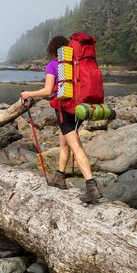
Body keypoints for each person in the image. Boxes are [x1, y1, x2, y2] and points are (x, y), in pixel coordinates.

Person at [20, 36, 103, 204]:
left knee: (75, 146)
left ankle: (91, 186)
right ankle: (59, 176)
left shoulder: (53, 65)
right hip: (77, 108)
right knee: (64, 142)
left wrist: (28, 94)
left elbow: (48, 90)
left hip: (64, 110)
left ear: (52, 50)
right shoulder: (74, 64)